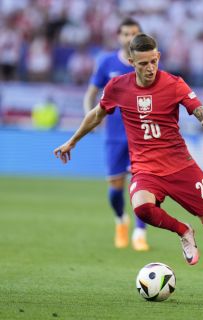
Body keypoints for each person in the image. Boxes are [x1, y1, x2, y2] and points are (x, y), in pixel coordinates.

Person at [54, 33, 203, 298]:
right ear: (132, 62)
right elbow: (97, 114)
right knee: (142, 209)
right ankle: (183, 230)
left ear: (158, 57)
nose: (149, 68)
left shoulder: (174, 83)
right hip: (146, 168)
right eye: (143, 63)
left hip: (181, 166)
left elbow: (196, 107)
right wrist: (72, 141)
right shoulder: (117, 87)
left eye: (153, 61)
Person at [83, 18, 149, 251]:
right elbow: (90, 94)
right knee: (115, 189)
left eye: (134, 33)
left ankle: (140, 234)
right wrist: (90, 119)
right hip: (113, 135)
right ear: (119, 37)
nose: (130, 38)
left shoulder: (147, 62)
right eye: (125, 34)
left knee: (141, 187)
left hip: (140, 136)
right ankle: (121, 220)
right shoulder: (106, 62)